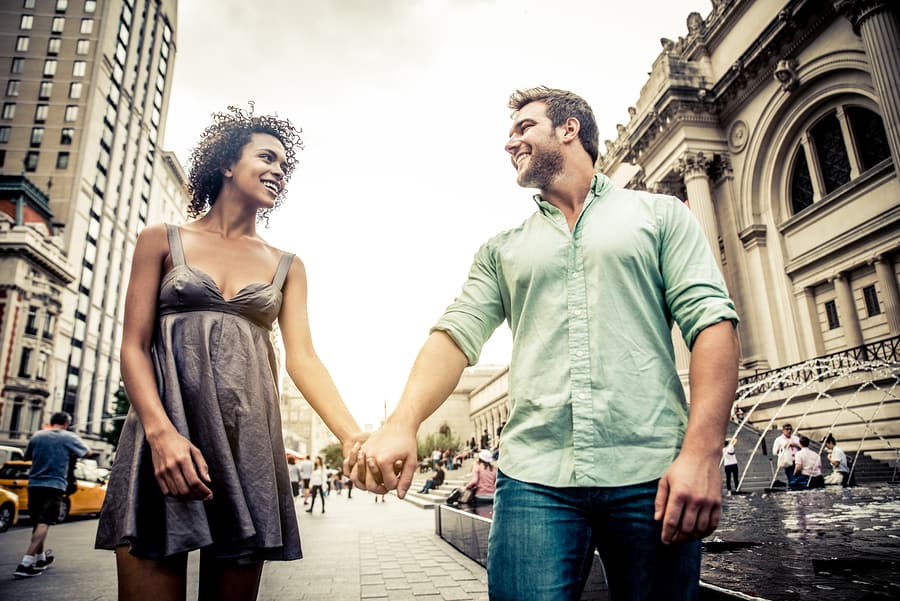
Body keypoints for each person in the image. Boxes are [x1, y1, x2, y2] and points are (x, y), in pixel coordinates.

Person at [350, 86, 740, 600]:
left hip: (653, 471)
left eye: (523, 128)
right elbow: (454, 334)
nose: (509, 143)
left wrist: (702, 454)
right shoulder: (501, 251)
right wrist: (403, 422)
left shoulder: (661, 217)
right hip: (534, 479)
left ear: (569, 128)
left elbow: (712, 323)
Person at [94, 106, 365, 601]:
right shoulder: (162, 240)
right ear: (225, 164)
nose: (279, 171)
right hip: (165, 438)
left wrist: (351, 436)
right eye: (267, 157)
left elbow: (304, 359)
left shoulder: (287, 264)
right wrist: (161, 435)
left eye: (285, 165)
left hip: (249, 447)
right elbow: (132, 346)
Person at [13, 411, 93, 578]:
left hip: (34, 484)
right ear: (66, 423)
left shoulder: (37, 436)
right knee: (45, 521)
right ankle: (25, 563)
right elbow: (87, 452)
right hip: (55, 484)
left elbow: (26, 456)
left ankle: (40, 559)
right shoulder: (68, 437)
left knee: (37, 522)